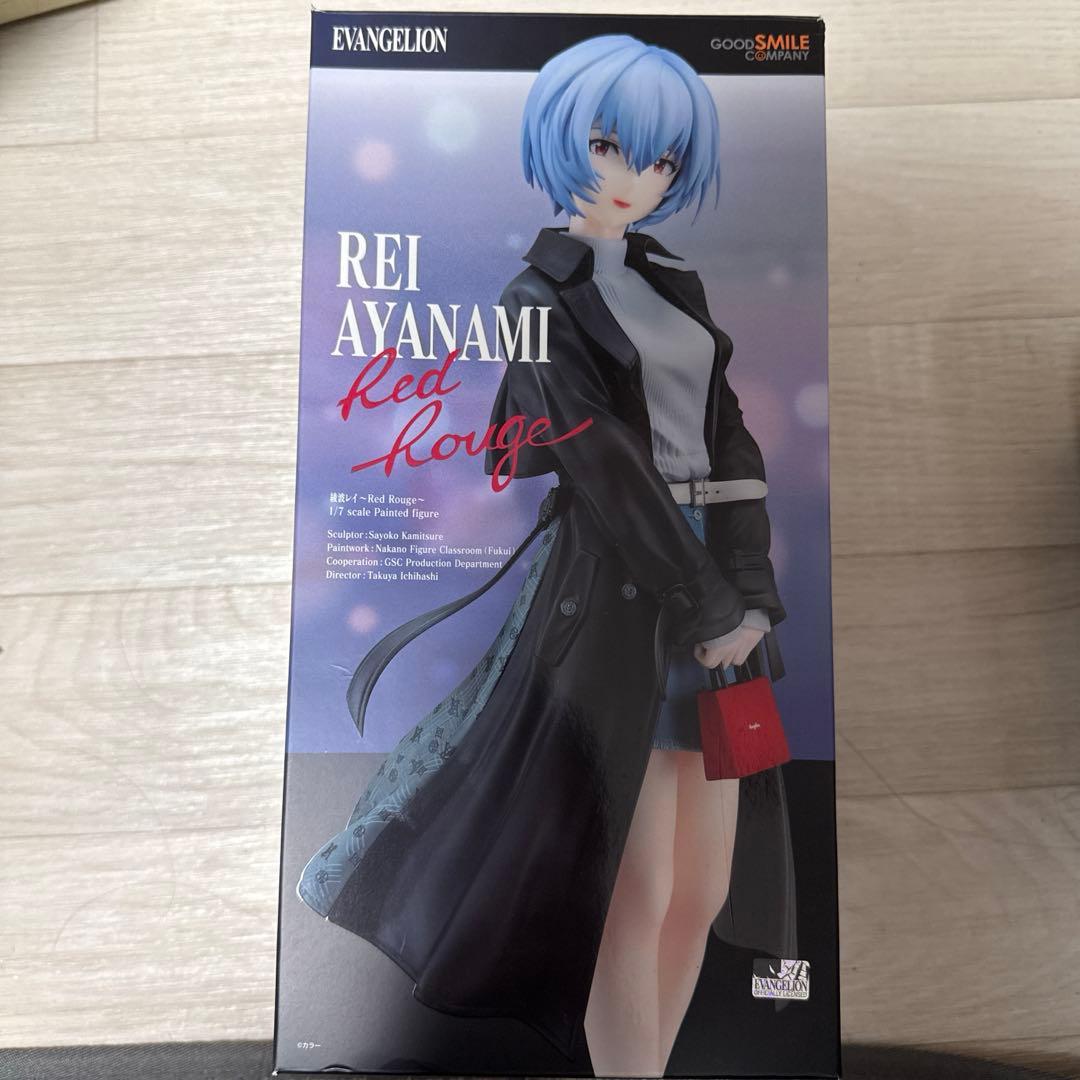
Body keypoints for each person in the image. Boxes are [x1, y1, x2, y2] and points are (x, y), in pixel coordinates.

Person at [298, 34, 797, 1078]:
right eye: (610, 146)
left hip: (716, 580)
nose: (632, 178)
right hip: (624, 591)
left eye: (660, 160)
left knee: (704, 887)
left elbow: (730, 432)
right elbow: (603, 464)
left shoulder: (674, 281)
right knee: (635, 884)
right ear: (563, 140)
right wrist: (707, 599)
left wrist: (748, 587)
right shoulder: (539, 299)